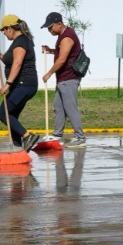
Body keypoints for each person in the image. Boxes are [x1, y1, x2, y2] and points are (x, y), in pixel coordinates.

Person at [0, 14, 40, 151]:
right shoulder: (20, 41)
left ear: (10, 28)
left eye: (3, 30)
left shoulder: (21, 41)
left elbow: (17, 63)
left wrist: (7, 84)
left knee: (3, 113)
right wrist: (0, 55)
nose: (3, 33)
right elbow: (11, 61)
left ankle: (27, 137)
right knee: (11, 116)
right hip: (22, 85)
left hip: (24, 84)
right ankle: (17, 148)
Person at [41, 11, 87, 147]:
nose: (49, 30)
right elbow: (63, 53)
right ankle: (57, 135)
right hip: (63, 79)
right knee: (58, 106)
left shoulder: (67, 37)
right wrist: (50, 50)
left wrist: (49, 73)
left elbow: (62, 59)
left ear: (59, 24)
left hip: (69, 78)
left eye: (51, 27)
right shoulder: (64, 35)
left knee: (70, 108)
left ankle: (80, 137)